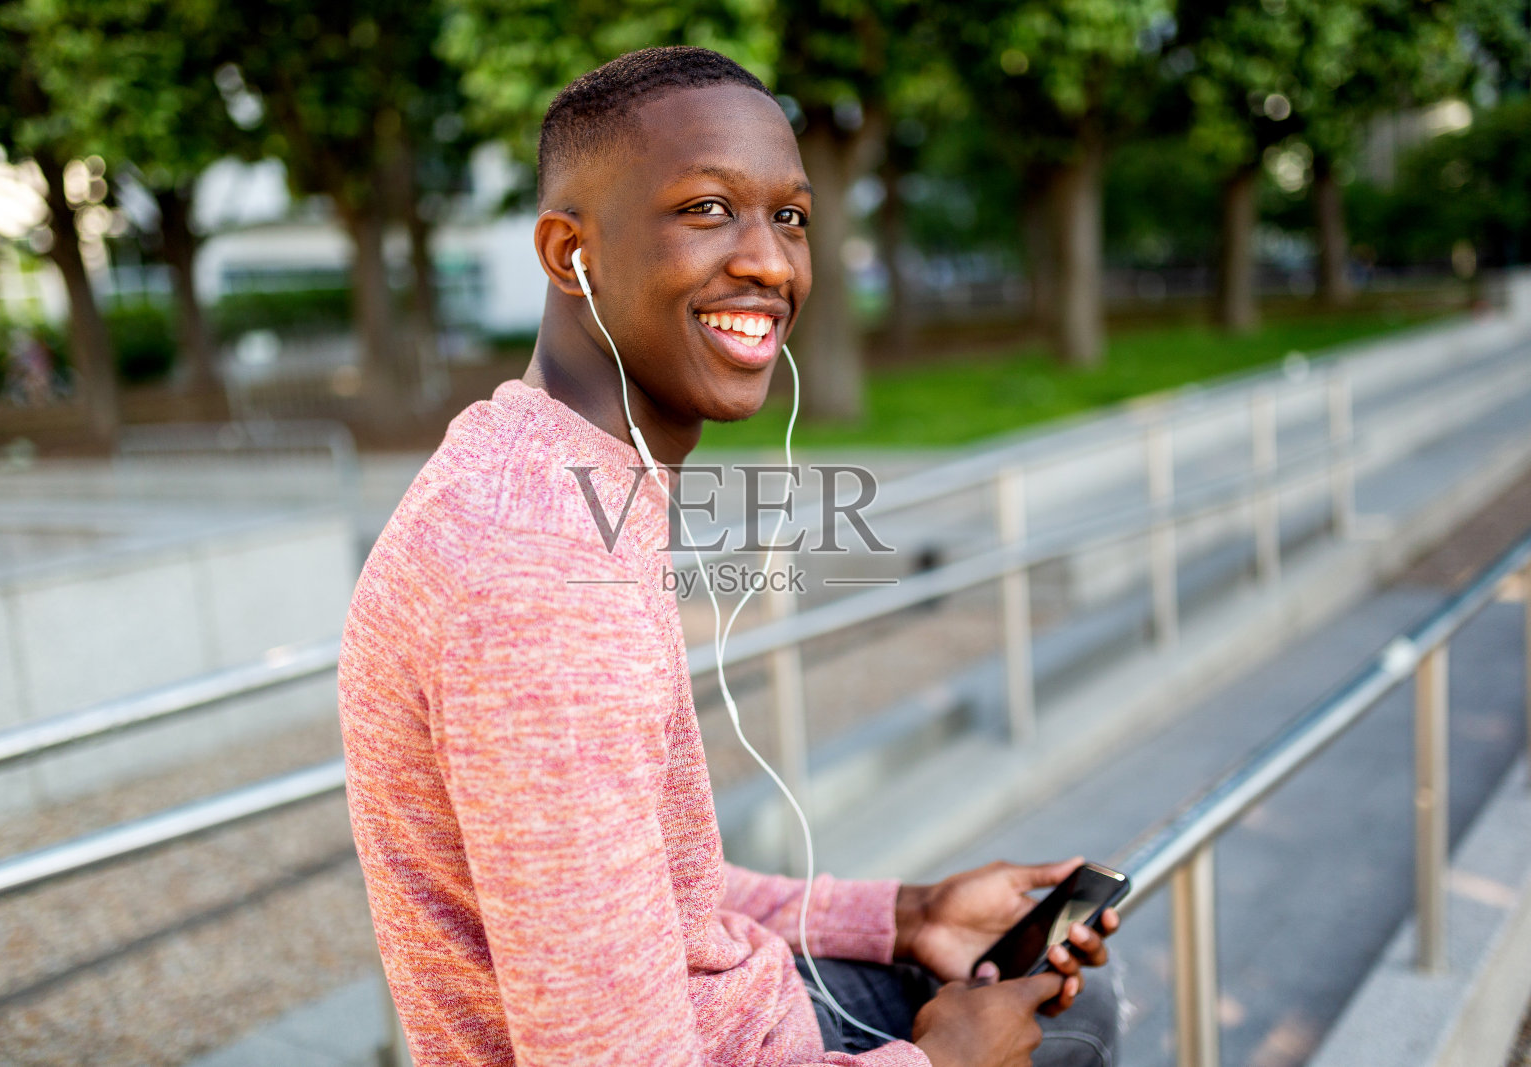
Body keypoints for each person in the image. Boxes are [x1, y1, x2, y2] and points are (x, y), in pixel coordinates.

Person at [338, 46, 1120, 1067]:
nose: (770, 262)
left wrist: (906, 913)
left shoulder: (546, 470)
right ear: (570, 251)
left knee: (1048, 1000)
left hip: (752, 1010)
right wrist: (939, 1063)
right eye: (708, 208)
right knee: (1072, 1030)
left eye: (789, 216)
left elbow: (653, 887)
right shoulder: (535, 584)